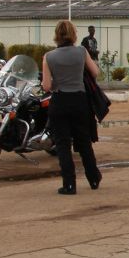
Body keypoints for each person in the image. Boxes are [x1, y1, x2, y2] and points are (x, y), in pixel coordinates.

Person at [41, 19, 102, 195]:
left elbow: (46, 86)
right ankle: (93, 178)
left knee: (62, 144)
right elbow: (95, 72)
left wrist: (57, 82)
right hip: (79, 101)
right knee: (84, 142)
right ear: (73, 34)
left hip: (60, 101)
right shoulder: (82, 51)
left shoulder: (49, 56)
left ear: (56, 35)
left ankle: (69, 185)